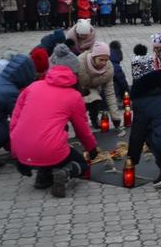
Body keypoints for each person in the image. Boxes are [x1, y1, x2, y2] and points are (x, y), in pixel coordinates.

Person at [9, 62, 97, 197]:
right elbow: (82, 129)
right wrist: (91, 148)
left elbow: (14, 121)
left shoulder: (33, 86)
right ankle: (66, 173)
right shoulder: (74, 96)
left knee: (51, 141)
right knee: (81, 163)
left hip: (21, 148)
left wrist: (16, 155)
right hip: (51, 149)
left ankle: (43, 177)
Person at [77, 42, 121, 130]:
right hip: (77, 89)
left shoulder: (108, 69)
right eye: (101, 60)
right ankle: (79, 124)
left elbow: (110, 93)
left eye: (106, 59)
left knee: (95, 99)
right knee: (80, 105)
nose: (104, 63)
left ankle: (94, 119)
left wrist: (115, 117)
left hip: (93, 89)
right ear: (93, 57)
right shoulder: (80, 62)